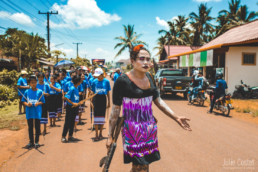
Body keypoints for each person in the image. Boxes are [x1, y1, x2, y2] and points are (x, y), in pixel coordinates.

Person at [106, 44, 191, 172]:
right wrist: (109, 136)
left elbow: (158, 101)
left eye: (148, 59)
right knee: (140, 166)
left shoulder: (150, 77)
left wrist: (176, 117)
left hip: (149, 129)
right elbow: (115, 110)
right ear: (133, 61)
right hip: (132, 130)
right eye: (142, 59)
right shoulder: (122, 81)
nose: (146, 62)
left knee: (144, 166)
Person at [22, 75, 45, 148]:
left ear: (36, 82)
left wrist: (38, 103)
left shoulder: (40, 91)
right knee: (30, 127)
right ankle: (31, 142)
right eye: (32, 83)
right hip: (29, 111)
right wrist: (27, 104)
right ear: (29, 83)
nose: (33, 84)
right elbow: (23, 101)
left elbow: (43, 101)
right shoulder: (27, 91)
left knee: (37, 127)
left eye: (35, 82)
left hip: (37, 111)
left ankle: (37, 141)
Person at [91, 68, 111, 141]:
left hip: (103, 99)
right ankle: (96, 134)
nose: (97, 77)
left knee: (102, 116)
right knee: (96, 117)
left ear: (102, 74)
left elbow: (108, 92)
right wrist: (91, 102)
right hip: (96, 99)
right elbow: (92, 93)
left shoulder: (106, 81)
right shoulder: (94, 82)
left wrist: (109, 102)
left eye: (98, 75)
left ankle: (101, 133)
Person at [61, 75, 81, 142]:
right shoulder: (72, 88)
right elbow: (66, 97)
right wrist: (73, 103)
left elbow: (76, 98)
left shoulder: (76, 89)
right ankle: (63, 136)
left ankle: (70, 136)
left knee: (72, 122)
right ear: (78, 82)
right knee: (67, 122)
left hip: (75, 107)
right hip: (70, 107)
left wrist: (78, 103)